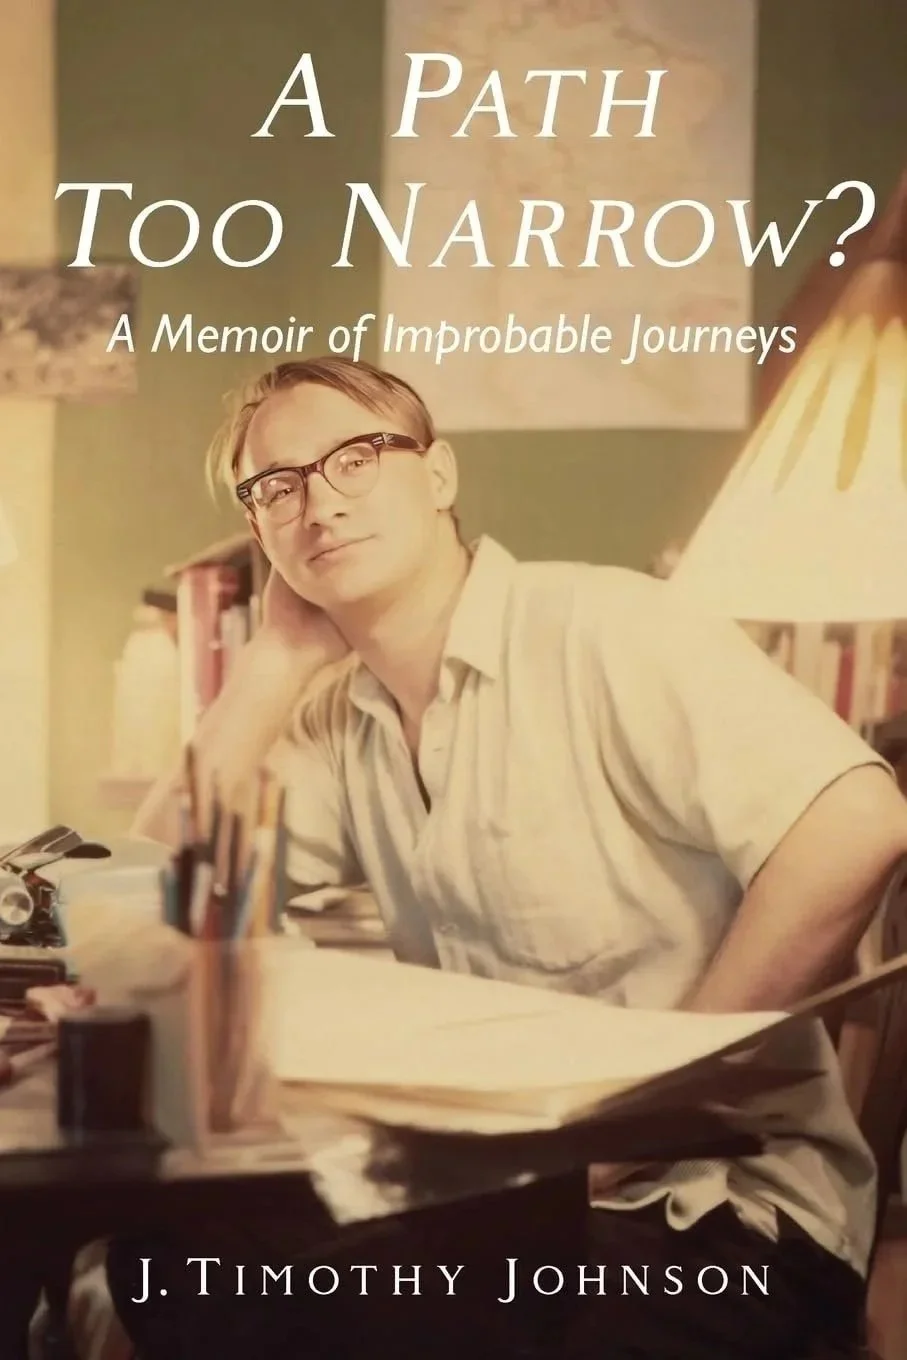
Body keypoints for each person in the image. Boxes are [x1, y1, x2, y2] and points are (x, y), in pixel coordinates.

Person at [108, 356, 907, 1360]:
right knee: (165, 1260)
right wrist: (271, 662)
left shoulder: (602, 629)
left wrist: (644, 1107)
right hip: (505, 1204)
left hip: (712, 1215)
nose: (318, 499)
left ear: (438, 475)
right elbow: (157, 905)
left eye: (355, 457)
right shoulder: (340, 718)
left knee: (355, 1312)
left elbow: (858, 821)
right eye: (278, 483)